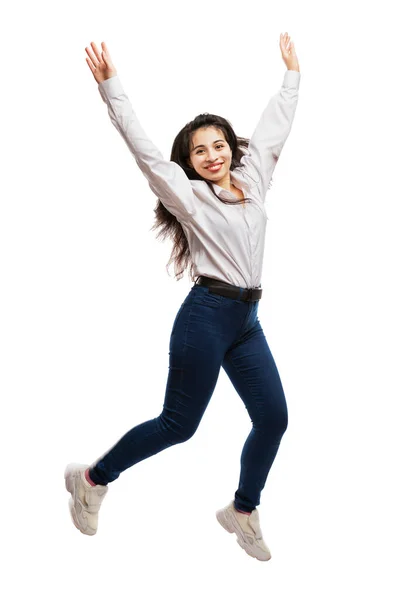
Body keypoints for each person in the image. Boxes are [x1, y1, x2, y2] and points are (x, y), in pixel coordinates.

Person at [65, 33, 301, 562]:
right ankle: (92, 479)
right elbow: (144, 149)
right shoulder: (188, 195)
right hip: (207, 316)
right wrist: (111, 88)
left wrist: (291, 76)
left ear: (231, 147)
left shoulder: (253, 179)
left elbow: (273, 130)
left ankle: (241, 511)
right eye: (200, 150)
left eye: (219, 144)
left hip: (246, 320)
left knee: (274, 417)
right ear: (190, 162)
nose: (212, 155)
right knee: (180, 424)